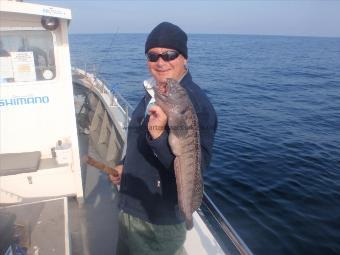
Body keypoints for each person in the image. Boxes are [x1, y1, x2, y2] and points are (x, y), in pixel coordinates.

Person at [109, 21, 217, 255]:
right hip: (131, 204)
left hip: (155, 220)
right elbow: (138, 139)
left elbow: (194, 169)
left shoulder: (196, 106)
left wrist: (158, 136)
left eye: (170, 54)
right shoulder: (158, 90)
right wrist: (125, 167)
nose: (160, 62)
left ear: (184, 58)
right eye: (153, 55)